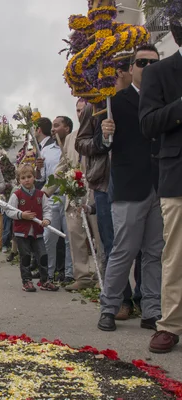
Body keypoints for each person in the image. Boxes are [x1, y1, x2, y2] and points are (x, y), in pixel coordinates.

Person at [96, 45, 163, 334]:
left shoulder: (167, 98)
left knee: (155, 253)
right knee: (123, 250)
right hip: (128, 186)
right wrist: (105, 135)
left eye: (153, 62)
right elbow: (101, 146)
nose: (147, 67)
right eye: (141, 62)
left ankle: (153, 310)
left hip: (162, 185)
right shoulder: (116, 101)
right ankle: (109, 307)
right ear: (131, 67)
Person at [75, 55, 137, 320]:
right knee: (112, 244)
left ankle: (145, 298)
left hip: (138, 179)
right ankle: (122, 300)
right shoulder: (96, 105)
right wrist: (102, 139)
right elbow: (82, 143)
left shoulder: (141, 100)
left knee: (145, 246)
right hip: (105, 183)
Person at [139, 25, 182, 353]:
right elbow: (149, 123)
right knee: (176, 255)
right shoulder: (160, 73)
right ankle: (170, 325)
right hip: (177, 176)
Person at [45, 111, 103, 292]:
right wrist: (45, 191)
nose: (81, 113)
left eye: (83, 109)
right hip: (73, 193)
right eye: (78, 110)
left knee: (100, 237)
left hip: (95, 191)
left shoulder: (101, 130)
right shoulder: (70, 138)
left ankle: (103, 275)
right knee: (75, 234)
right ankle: (83, 276)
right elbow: (62, 166)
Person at [5, 164, 58, 292]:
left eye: (29, 177)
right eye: (23, 178)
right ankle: (27, 281)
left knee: (43, 256)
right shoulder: (16, 195)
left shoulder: (41, 195)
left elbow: (47, 210)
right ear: (19, 180)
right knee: (25, 257)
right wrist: (21, 214)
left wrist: (46, 219)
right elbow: (8, 210)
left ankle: (44, 280)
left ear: (34, 177)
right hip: (22, 233)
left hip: (37, 232)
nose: (26, 180)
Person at [34, 117, 73, 284]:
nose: (53, 130)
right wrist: (38, 168)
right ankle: (48, 273)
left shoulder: (74, 147)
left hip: (70, 195)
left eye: (57, 126)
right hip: (51, 196)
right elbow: (40, 178)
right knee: (49, 236)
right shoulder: (47, 150)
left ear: (68, 128)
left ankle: (70, 274)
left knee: (70, 238)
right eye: (53, 126)